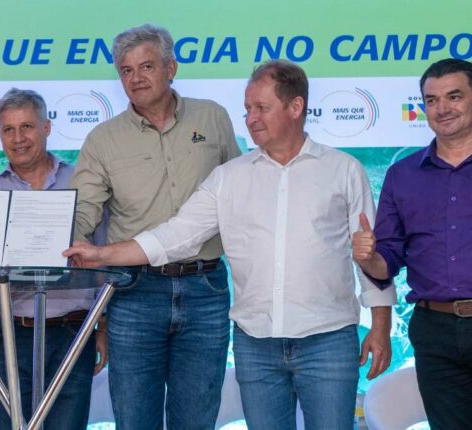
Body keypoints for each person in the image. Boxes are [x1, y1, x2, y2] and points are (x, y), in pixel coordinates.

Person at [66, 60, 397, 430]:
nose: (251, 119)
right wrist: (101, 254)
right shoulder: (228, 178)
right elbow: (174, 236)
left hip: (328, 340)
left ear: (295, 107)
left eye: (261, 108)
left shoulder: (344, 170)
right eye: (247, 110)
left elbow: (368, 255)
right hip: (256, 345)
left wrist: (381, 325)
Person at [69, 24, 241, 429]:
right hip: (134, 291)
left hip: (206, 288)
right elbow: (83, 211)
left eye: (146, 66)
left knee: (196, 419)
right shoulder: (103, 139)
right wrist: (56, 237)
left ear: (171, 68)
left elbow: (241, 193)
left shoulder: (212, 118)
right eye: (126, 70)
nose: (136, 78)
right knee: (134, 419)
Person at [353, 58, 472, 429]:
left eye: (454, 96)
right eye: (432, 100)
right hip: (434, 329)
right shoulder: (402, 175)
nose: (442, 108)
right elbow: (387, 262)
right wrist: (367, 258)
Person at [0, 87, 107, 430]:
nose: (18, 138)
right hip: (7, 334)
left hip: (72, 334)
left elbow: (104, 260)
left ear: (47, 128)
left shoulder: (84, 183)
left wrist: (103, 327)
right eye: (8, 129)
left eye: (27, 127)